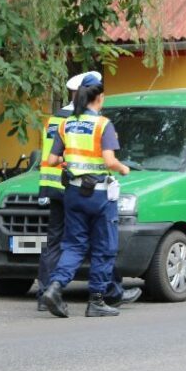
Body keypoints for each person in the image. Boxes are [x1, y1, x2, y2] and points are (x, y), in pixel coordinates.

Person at [42, 74, 130, 317]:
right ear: (99, 98)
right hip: (99, 195)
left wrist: (70, 160)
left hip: (72, 193)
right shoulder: (103, 124)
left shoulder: (65, 124)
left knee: (73, 245)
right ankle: (97, 301)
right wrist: (124, 168)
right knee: (104, 247)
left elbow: (51, 159)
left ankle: (55, 287)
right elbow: (110, 161)